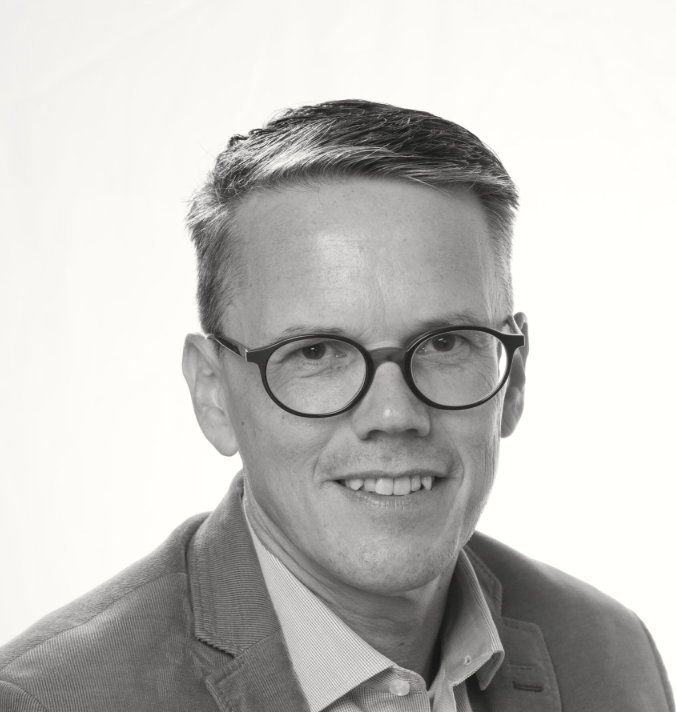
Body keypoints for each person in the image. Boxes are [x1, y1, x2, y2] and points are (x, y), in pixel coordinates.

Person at [0, 99, 672, 712]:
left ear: (513, 377)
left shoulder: (613, 655)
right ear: (213, 393)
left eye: (444, 343)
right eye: (317, 353)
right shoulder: (46, 701)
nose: (393, 415)